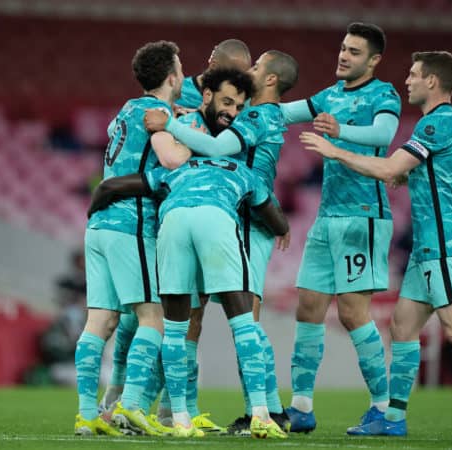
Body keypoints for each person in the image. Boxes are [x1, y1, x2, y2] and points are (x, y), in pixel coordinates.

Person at [300, 50, 452, 439]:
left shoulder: (437, 123)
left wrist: (336, 152)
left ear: (433, 81)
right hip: (430, 245)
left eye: (414, 75)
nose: (407, 80)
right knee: (402, 326)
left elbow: (389, 167)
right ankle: (393, 418)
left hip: (442, 244)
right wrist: (414, 180)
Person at [144, 49, 299, 435]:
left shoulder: (256, 117)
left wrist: (170, 124)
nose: (233, 108)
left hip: (233, 217)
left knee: (204, 321)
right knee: (234, 320)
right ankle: (253, 413)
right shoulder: (232, 119)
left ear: (269, 81)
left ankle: (244, 411)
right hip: (231, 211)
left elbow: (209, 147)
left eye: (255, 69)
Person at [88, 155, 291, 438]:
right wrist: (283, 230)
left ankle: (180, 419)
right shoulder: (242, 170)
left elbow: (111, 186)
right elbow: (272, 216)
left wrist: (93, 212)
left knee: (174, 330)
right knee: (244, 323)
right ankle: (260, 414)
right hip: (217, 218)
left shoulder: (175, 169)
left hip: (173, 221)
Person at [98, 67, 254, 434]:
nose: (232, 109)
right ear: (207, 92)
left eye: (239, 103)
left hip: (195, 218)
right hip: (163, 220)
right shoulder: (169, 110)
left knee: (183, 319)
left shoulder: (233, 122)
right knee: (151, 316)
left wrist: (174, 126)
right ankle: (123, 402)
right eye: (227, 99)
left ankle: (167, 410)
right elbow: (169, 162)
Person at [279, 22, 401, 433]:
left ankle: (384, 410)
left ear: (374, 60)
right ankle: (300, 407)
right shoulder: (329, 95)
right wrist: (231, 110)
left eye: (354, 51)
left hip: (363, 215)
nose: (343, 56)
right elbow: (284, 113)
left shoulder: (384, 94)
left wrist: (339, 134)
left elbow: (385, 134)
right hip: (327, 217)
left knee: (352, 314)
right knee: (309, 307)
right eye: (343, 48)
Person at [74, 40, 184, 437]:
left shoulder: (125, 110)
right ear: (172, 77)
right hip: (131, 223)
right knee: (151, 318)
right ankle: (133, 406)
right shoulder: (159, 115)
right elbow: (171, 161)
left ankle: (87, 415)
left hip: (99, 226)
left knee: (100, 321)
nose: (185, 74)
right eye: (181, 68)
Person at [177, 38, 252, 110]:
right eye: (232, 75)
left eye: (243, 77)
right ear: (213, 66)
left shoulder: (242, 103)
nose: (238, 83)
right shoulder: (179, 91)